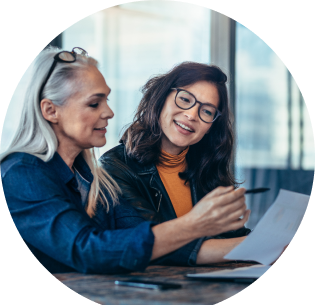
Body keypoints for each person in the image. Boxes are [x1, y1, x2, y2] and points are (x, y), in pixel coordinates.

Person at [0, 47, 252, 275]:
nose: (109, 112)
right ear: (50, 110)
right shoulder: (21, 173)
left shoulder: (91, 177)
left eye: (106, 100)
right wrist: (194, 224)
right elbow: (89, 250)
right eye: (94, 103)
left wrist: (261, 246)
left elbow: (138, 237)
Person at [99, 62, 252, 241]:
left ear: (211, 126)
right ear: (162, 98)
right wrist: (248, 247)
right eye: (185, 100)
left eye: (207, 111)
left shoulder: (208, 169)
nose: (192, 115)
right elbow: (151, 244)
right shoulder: (115, 167)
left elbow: (232, 235)